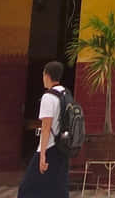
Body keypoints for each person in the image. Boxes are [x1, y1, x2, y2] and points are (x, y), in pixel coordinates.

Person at [18, 60, 72, 197]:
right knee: (58, 188)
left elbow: (46, 128)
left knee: (26, 188)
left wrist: (42, 156)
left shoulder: (48, 97)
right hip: (63, 147)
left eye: (43, 75)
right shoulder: (66, 93)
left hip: (49, 148)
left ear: (47, 75)